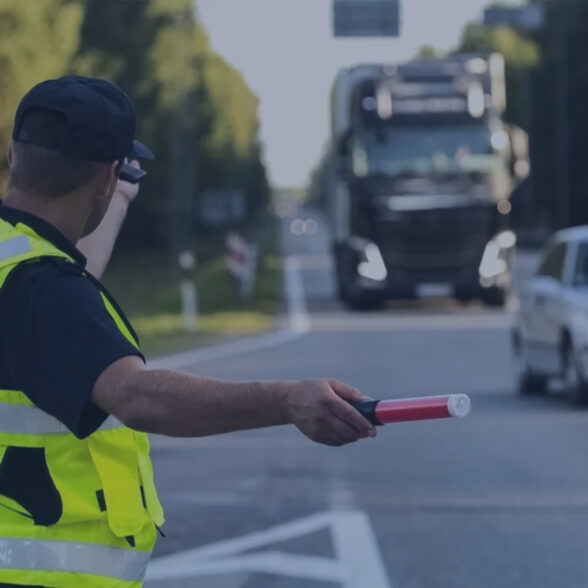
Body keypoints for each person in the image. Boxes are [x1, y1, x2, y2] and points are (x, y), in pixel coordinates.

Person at [0, 76, 376, 588]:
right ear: (106, 176)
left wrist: (120, 198)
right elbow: (135, 396)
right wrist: (287, 400)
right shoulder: (44, 288)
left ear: (14, 155)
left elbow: (61, 289)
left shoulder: (18, 265)